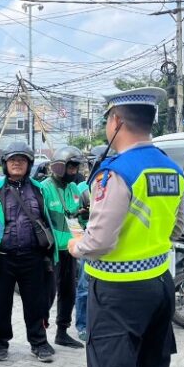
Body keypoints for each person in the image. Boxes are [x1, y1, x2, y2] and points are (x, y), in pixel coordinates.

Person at [68, 87, 184, 367]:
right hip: (160, 284)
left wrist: (76, 246)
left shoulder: (116, 172)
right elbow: (175, 229)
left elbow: (99, 241)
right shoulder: (170, 167)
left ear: (117, 121)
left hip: (118, 295)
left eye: (107, 119)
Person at [0, 141, 58, 363]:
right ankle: (0, 344)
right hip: (3, 258)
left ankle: (39, 343)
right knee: (0, 304)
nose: (17, 164)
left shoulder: (40, 190)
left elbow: (50, 219)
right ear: (5, 163)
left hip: (33, 257)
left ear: (29, 164)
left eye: (21, 161)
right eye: (13, 160)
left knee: (36, 303)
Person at [41, 145, 87, 349]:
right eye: (71, 168)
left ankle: (62, 332)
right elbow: (40, 221)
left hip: (70, 250)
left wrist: (84, 216)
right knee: (47, 294)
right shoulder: (44, 188)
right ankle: (40, 336)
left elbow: (76, 218)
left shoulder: (74, 189)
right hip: (50, 253)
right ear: (60, 167)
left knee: (68, 292)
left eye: (76, 168)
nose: (74, 172)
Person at [74, 144, 109, 341]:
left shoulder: (114, 182)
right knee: (84, 287)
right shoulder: (83, 188)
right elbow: (72, 215)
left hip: (107, 242)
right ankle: (82, 325)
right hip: (87, 240)